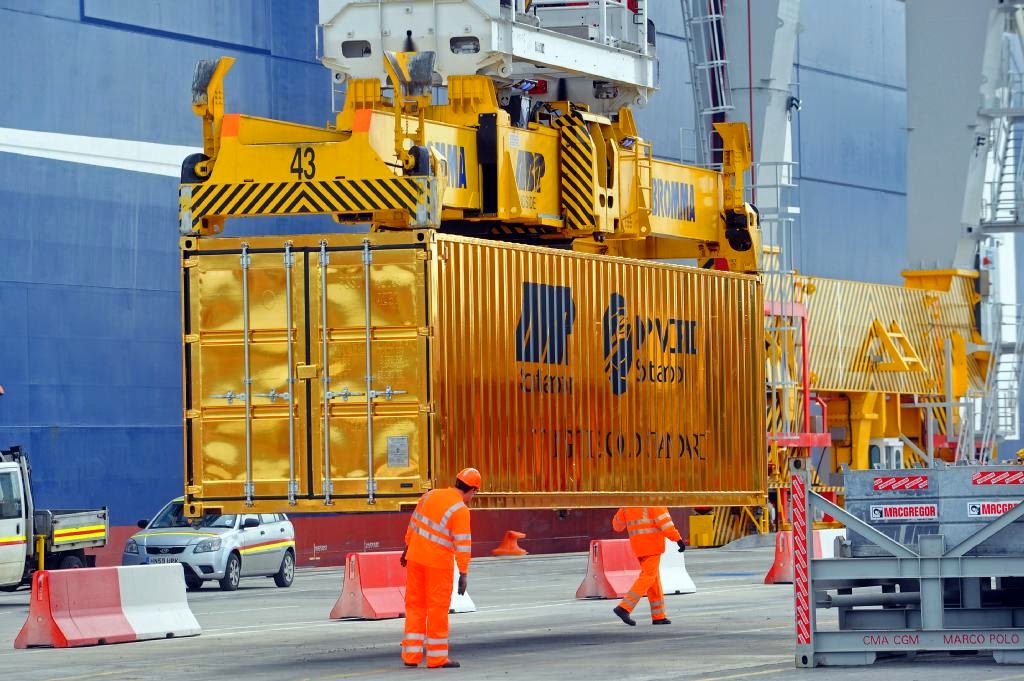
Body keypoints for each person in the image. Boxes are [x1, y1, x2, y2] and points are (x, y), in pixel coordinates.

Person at [400, 467, 481, 669]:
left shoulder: (430, 495)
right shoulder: (460, 510)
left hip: (415, 558)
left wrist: (406, 548)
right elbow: (463, 544)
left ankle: (411, 656)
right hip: (437, 565)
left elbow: (414, 524)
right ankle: (437, 658)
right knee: (437, 610)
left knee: (415, 607)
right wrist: (463, 573)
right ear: (472, 490)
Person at [611, 507, 686, 626]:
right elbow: (666, 525)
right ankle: (624, 607)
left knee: (653, 579)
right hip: (652, 545)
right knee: (648, 577)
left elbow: (617, 526)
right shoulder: (654, 501)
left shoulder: (628, 503)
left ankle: (659, 616)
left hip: (638, 547)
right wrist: (677, 539)